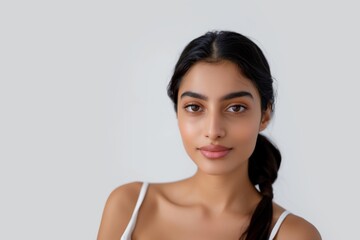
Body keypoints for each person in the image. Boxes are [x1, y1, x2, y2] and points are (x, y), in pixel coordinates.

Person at [97, 30, 322, 240]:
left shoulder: (293, 234)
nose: (213, 131)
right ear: (177, 112)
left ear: (265, 115)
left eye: (236, 108)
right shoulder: (129, 206)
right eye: (195, 107)